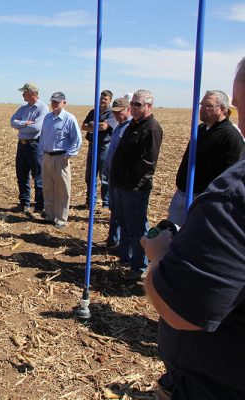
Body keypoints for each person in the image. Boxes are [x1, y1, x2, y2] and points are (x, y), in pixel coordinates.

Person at [141, 61, 245, 397]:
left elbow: (184, 311)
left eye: (209, 105)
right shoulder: (203, 131)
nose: (202, 109)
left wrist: (159, 259)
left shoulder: (232, 196)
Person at [167, 90, 243, 226]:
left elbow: (228, 177)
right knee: (173, 232)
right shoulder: (200, 129)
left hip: (202, 198)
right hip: (183, 193)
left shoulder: (231, 137)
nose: (202, 109)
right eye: (202, 104)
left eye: (208, 106)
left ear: (223, 110)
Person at [109, 89, 163, 281]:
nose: (133, 107)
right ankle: (126, 256)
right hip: (120, 185)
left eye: (138, 104)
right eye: (132, 103)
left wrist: (131, 180)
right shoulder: (133, 124)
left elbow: (148, 162)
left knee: (137, 227)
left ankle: (139, 266)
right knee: (124, 223)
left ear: (149, 106)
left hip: (134, 188)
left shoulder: (152, 128)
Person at [38, 92, 82, 229]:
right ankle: (50, 215)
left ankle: (62, 218)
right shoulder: (48, 118)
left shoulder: (69, 118)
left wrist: (68, 155)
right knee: (48, 187)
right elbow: (43, 136)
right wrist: (42, 151)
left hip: (61, 157)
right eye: (53, 102)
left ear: (64, 103)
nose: (54, 104)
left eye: (57, 102)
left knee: (62, 189)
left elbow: (77, 139)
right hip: (47, 156)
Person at [10, 83, 48, 217]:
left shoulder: (43, 108)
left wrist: (19, 126)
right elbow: (12, 121)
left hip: (35, 145)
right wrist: (23, 123)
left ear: (32, 94)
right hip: (22, 144)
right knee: (21, 174)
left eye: (24, 92)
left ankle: (39, 207)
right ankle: (24, 203)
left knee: (38, 176)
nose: (22, 95)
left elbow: (36, 128)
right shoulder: (23, 108)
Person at [102, 98, 132, 248]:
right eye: (114, 112)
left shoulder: (130, 128)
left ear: (128, 110)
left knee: (122, 213)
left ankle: (121, 243)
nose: (116, 115)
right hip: (112, 175)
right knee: (114, 210)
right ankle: (113, 239)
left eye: (120, 112)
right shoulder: (118, 127)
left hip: (122, 178)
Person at [81, 89, 117, 208]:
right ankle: (91, 201)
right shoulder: (93, 111)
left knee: (104, 175)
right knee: (90, 175)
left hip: (104, 147)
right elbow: (84, 127)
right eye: (101, 98)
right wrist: (96, 125)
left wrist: (92, 124)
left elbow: (104, 127)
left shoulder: (112, 113)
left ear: (110, 100)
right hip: (92, 146)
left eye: (105, 99)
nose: (102, 100)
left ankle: (106, 203)